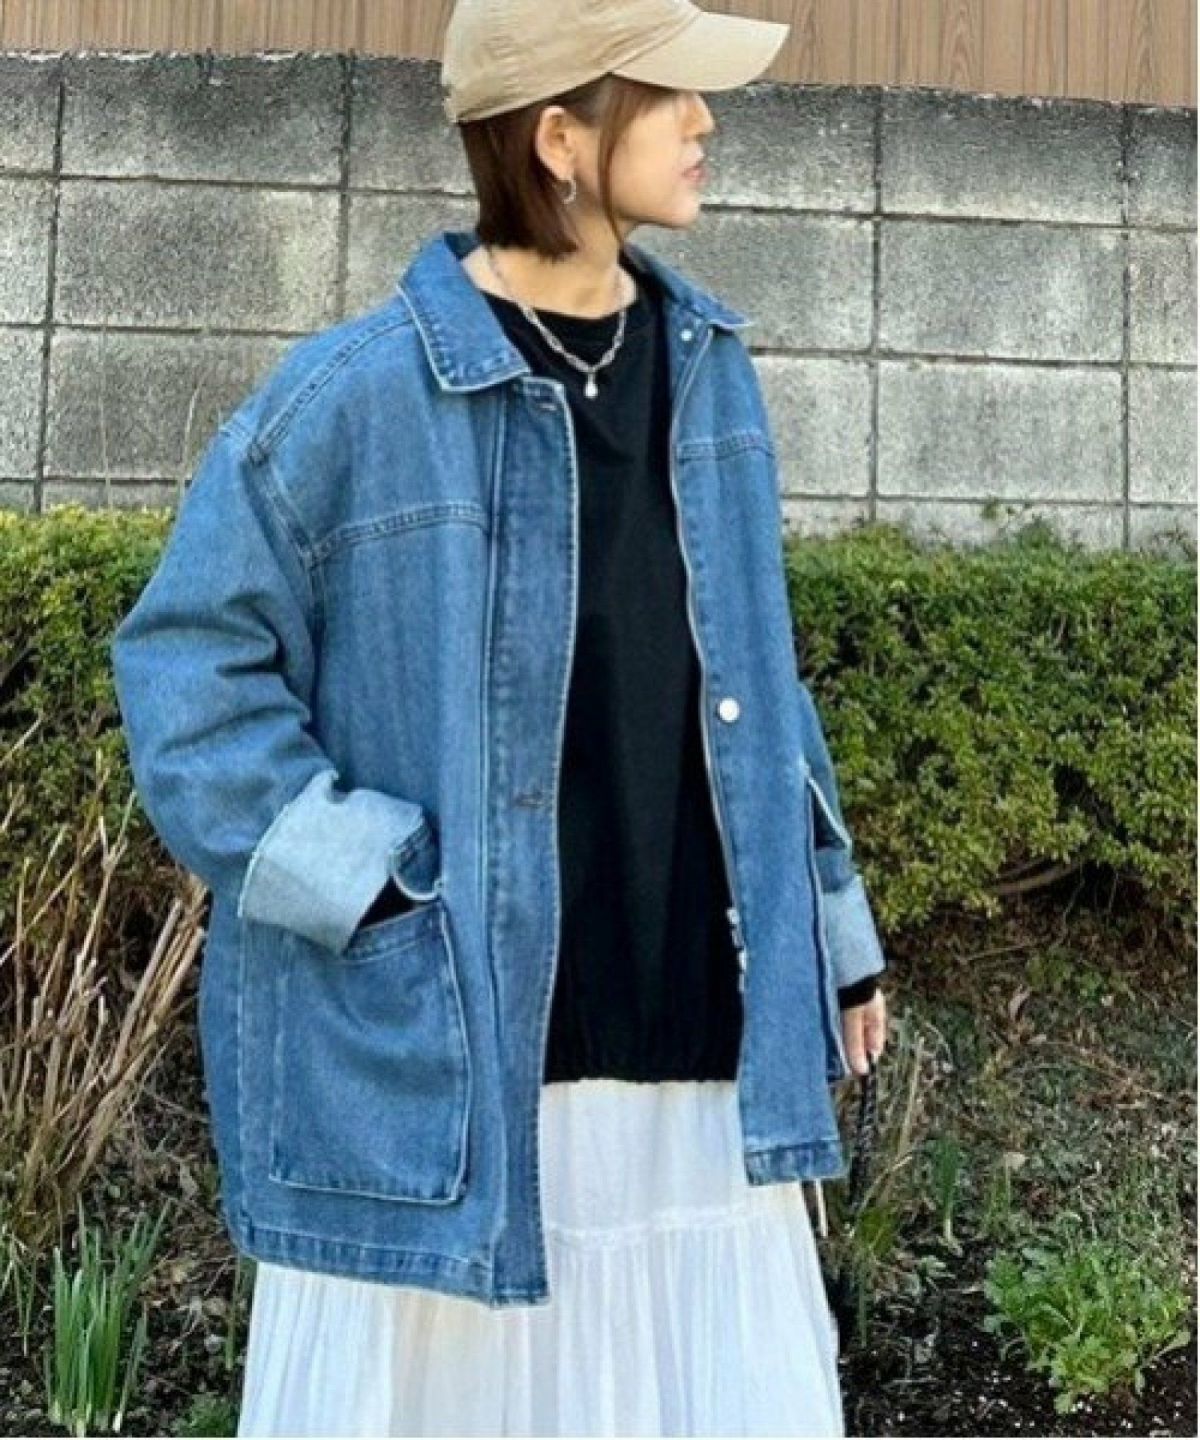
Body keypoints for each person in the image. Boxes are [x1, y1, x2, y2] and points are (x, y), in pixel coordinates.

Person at [111, 1, 890, 1434]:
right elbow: (185, 674)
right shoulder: (353, 400)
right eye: (668, 95)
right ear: (559, 140)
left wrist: (833, 931)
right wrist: (371, 884)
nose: (706, 122)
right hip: (454, 1057)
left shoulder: (710, 368)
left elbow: (755, 676)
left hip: (695, 1045)